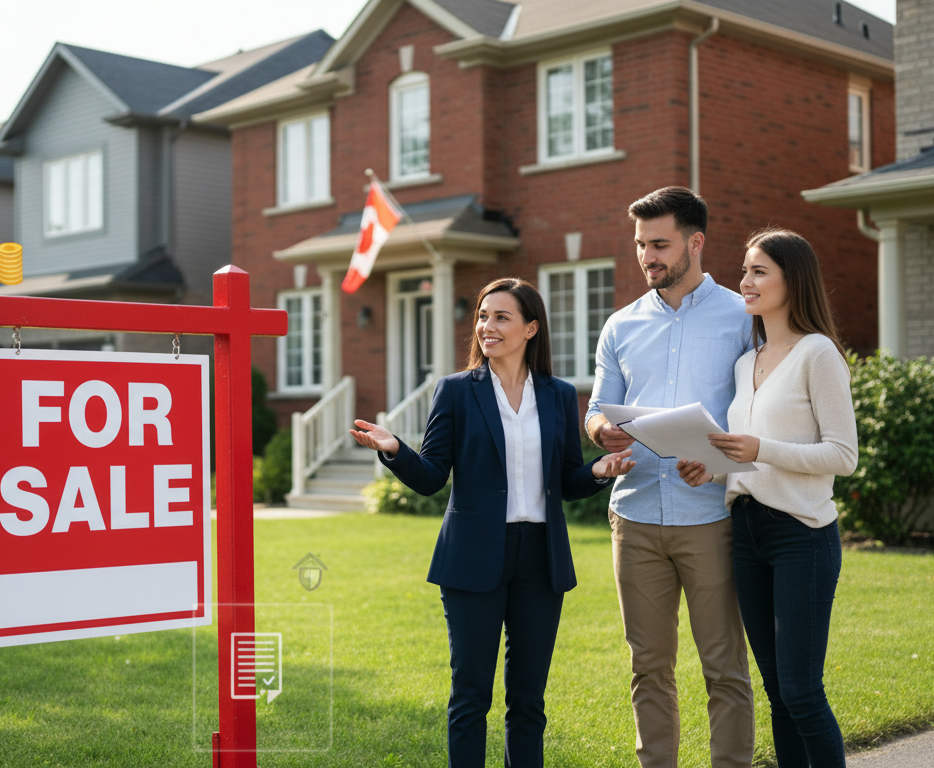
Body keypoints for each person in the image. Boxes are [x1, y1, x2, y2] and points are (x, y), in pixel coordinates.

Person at [350, 277, 635, 767]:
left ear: (530, 328)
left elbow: (566, 480)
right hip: (472, 557)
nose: (487, 326)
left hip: (540, 559)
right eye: (483, 316)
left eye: (501, 317)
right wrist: (395, 449)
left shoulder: (559, 395)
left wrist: (599, 471)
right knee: (470, 697)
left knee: (528, 701)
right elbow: (432, 477)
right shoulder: (457, 392)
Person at [585, 186, 755, 768]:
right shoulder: (621, 325)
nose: (647, 257)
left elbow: (761, 417)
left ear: (696, 241)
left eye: (659, 244)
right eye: (640, 245)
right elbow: (597, 408)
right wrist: (602, 431)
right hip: (633, 516)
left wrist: (720, 463)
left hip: (710, 516)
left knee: (724, 667)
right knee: (648, 667)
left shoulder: (742, 317)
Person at [676, 228, 857, 767]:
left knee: (802, 691)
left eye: (759, 271)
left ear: (791, 279)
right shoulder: (746, 362)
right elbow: (752, 461)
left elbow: (843, 456)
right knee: (778, 690)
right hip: (747, 533)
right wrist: (709, 471)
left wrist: (761, 446)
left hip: (801, 534)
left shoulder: (817, 354)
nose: (745, 282)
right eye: (745, 270)